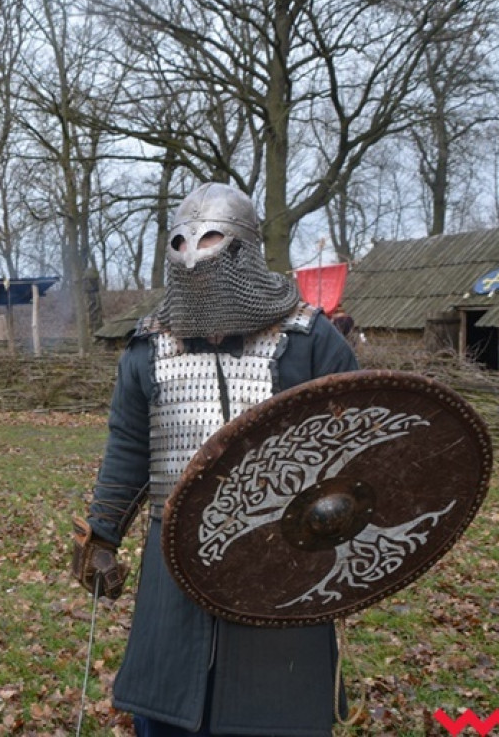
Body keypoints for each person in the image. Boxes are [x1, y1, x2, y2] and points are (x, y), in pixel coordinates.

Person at [71, 182, 359, 737]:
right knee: (169, 712)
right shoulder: (149, 347)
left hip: (284, 562)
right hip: (172, 561)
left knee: (278, 715)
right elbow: (130, 447)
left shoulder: (310, 341)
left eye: (209, 243)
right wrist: (101, 536)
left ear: (244, 254)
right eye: (182, 244)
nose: (193, 258)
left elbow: (356, 449)